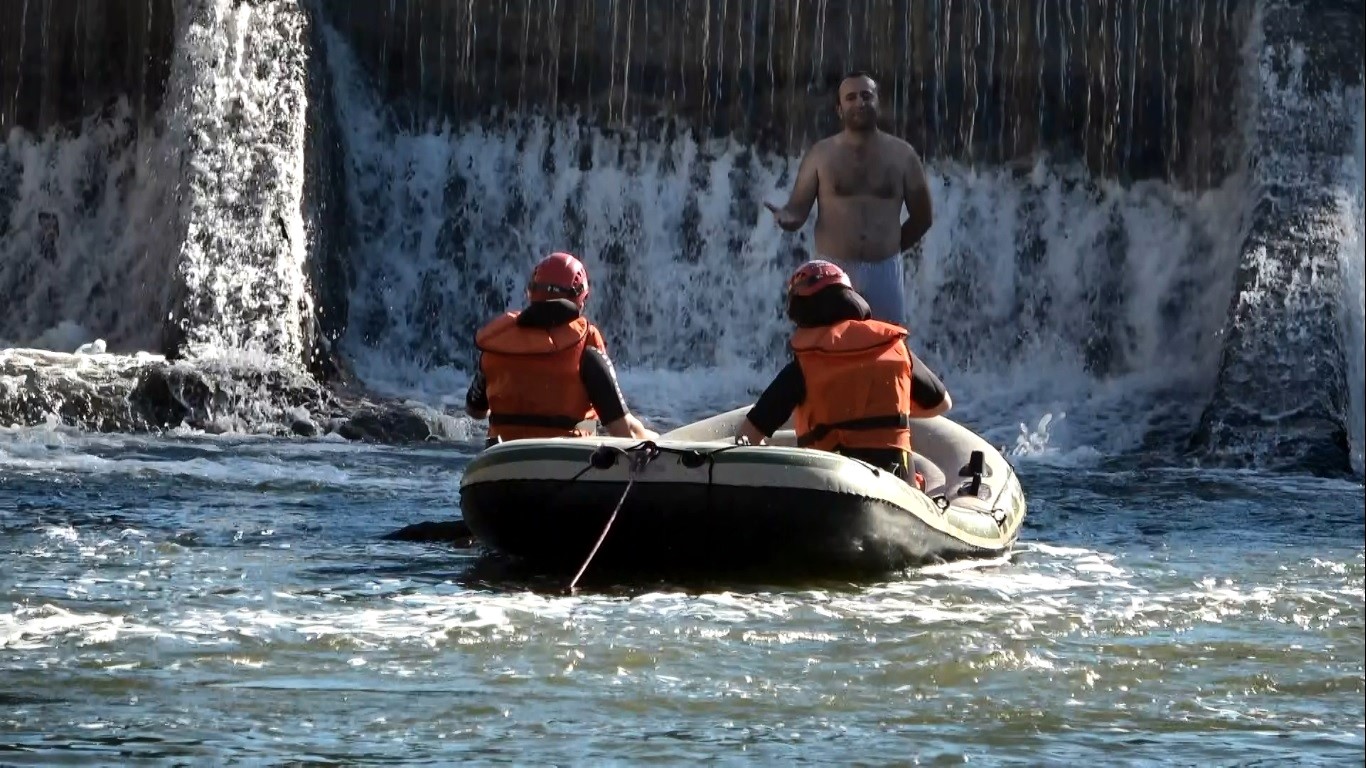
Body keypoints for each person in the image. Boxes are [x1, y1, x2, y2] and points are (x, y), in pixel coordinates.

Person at [734, 260, 951, 488]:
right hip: (897, 487)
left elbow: (746, 438)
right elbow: (942, 404)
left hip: (830, 488)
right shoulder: (894, 347)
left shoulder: (804, 365)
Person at [764, 71, 934, 328]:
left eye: (866, 96)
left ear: (878, 102)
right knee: (828, 346)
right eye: (851, 97)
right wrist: (788, 218)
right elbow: (797, 208)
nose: (859, 103)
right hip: (832, 270)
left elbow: (923, 217)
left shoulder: (904, 155)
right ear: (839, 109)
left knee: (888, 347)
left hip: (884, 270)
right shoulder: (820, 154)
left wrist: (890, 247)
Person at [465, 252, 658, 444]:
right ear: (580, 298)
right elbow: (624, 433)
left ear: (531, 292)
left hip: (501, 459)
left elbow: (475, 410)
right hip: (566, 460)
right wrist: (655, 438)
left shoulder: (498, 345)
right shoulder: (587, 351)